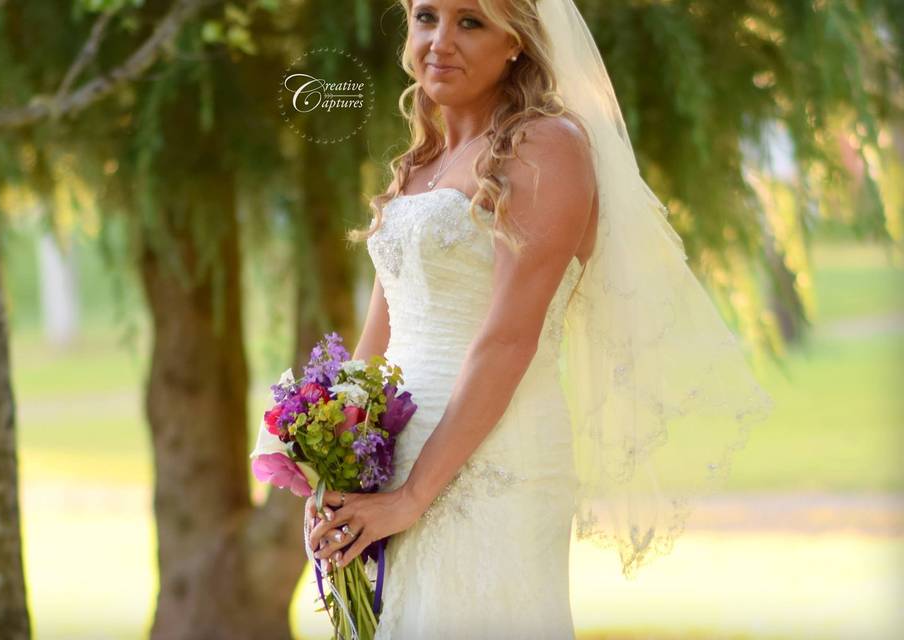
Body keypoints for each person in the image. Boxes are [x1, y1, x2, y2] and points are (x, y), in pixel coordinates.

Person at [305, 0, 774, 637]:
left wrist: (412, 497)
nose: (440, 41)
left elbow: (508, 337)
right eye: (425, 17)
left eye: (470, 21)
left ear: (517, 42)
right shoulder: (420, 161)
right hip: (393, 453)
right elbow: (375, 341)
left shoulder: (546, 148)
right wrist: (333, 467)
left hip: (495, 452)